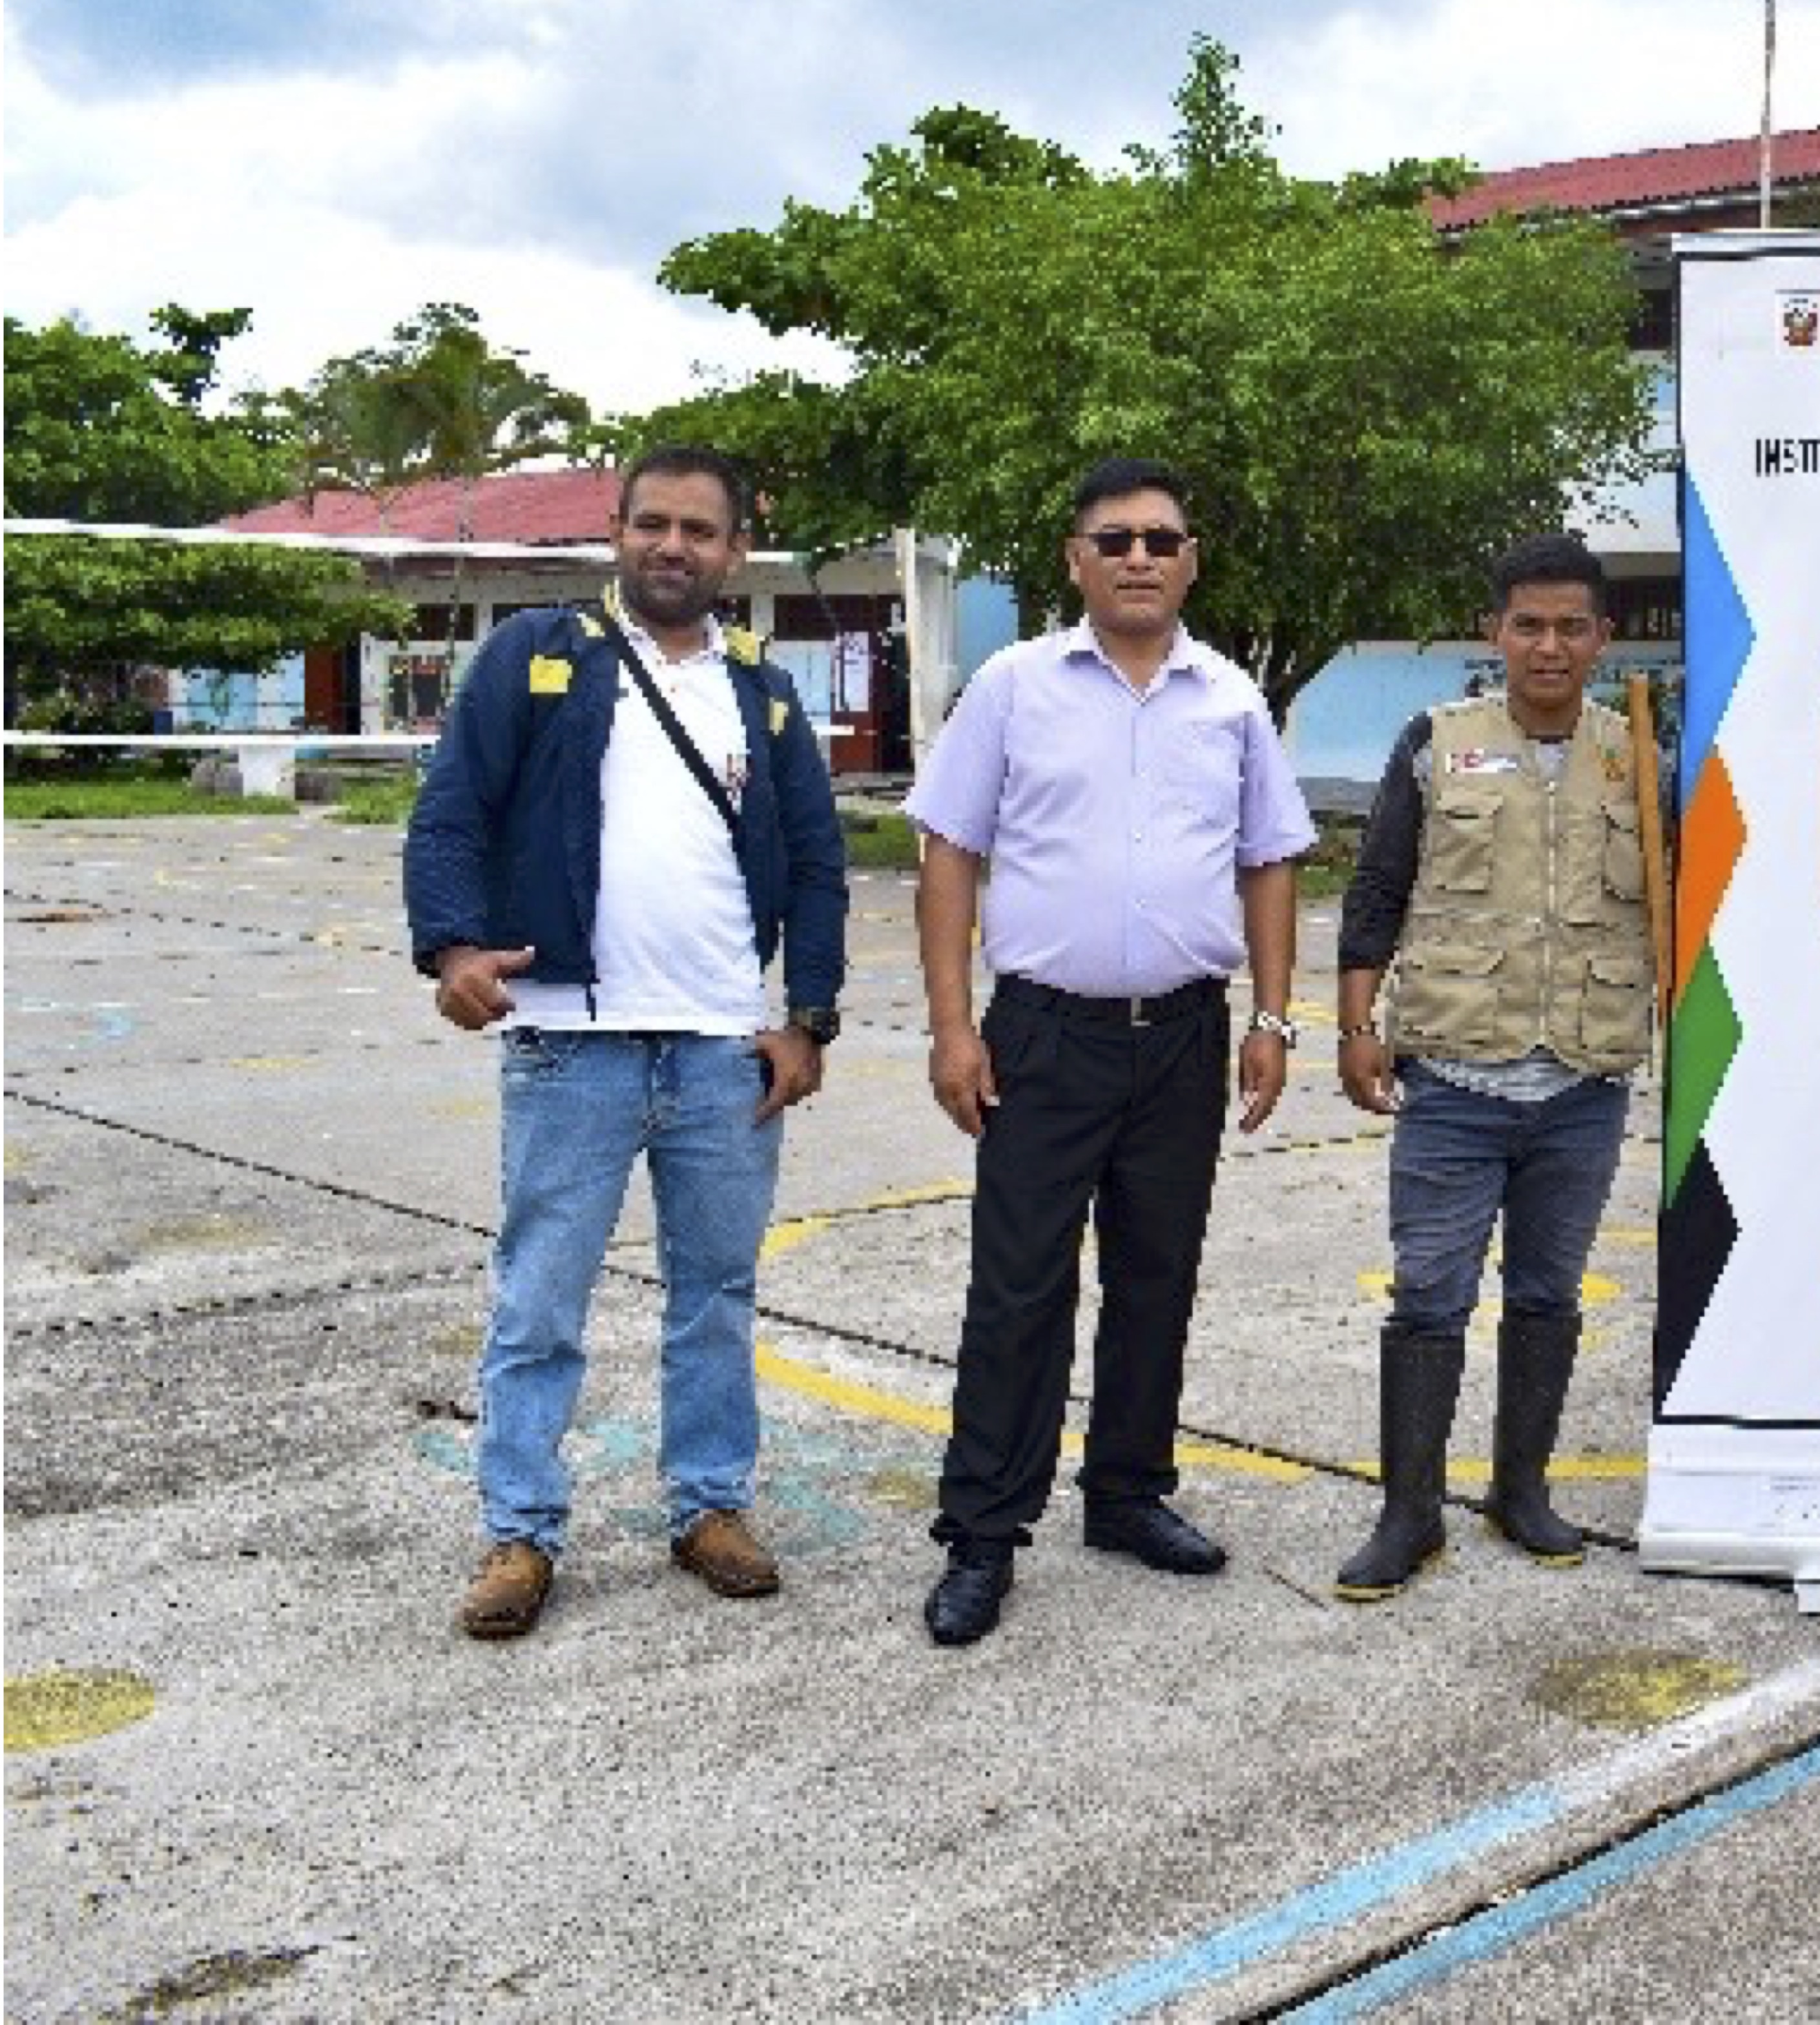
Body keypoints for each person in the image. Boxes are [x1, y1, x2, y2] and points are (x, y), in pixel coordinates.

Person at [405, 446, 849, 1641]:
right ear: (616, 531)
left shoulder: (763, 691)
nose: (673, 547)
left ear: (735, 551)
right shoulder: (537, 659)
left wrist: (807, 1017)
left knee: (715, 1295)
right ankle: (519, 1531)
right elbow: (452, 810)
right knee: (540, 1300)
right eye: (652, 523)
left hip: (720, 1051)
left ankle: (709, 1508)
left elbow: (816, 862)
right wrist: (451, 948)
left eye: (699, 531)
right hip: (570, 1043)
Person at [908, 458, 1313, 1647]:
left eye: (1162, 540)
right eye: (1115, 539)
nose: (1140, 557)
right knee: (1020, 1291)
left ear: (1192, 561)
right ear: (1075, 561)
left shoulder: (1230, 700)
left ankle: (1128, 1494)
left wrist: (1273, 1020)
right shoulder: (1013, 687)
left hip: (1184, 1037)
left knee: (1156, 1278)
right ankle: (983, 1534)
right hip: (1042, 1036)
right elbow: (948, 852)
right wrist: (951, 1026)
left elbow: (1271, 861)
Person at [1329, 535, 1656, 1601]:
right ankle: (1409, 1513)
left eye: (1571, 626)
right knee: (1429, 1292)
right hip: (1456, 1077)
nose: (1550, 646)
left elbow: (1683, 900)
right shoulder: (1436, 742)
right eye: (1529, 625)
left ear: (1603, 638)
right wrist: (1355, 1024)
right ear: (1495, 633)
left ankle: (1522, 1491)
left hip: (1582, 1078)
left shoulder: (1641, 755)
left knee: (1550, 1291)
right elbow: (1378, 886)